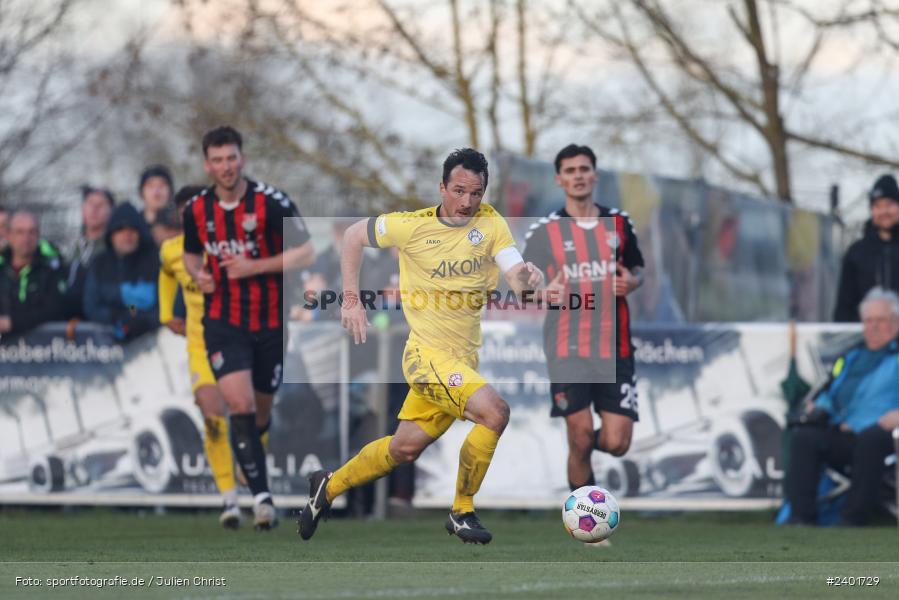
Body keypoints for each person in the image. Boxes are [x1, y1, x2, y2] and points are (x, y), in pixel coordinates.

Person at [299, 148, 546, 544]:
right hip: (426, 357)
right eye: (459, 190)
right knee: (495, 413)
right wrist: (350, 299)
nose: (467, 201)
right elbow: (351, 236)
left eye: (476, 193)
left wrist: (529, 279)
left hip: (461, 361)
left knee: (403, 449)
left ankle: (327, 486)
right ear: (442, 187)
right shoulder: (410, 227)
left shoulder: (491, 223)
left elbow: (518, 279)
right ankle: (462, 511)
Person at [181, 125, 315, 530]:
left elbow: (306, 251)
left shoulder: (271, 202)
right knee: (237, 404)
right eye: (217, 160)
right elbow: (190, 255)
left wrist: (254, 266)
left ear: (243, 159)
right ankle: (262, 499)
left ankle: (252, 465)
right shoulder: (196, 210)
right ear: (207, 164)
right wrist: (200, 276)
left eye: (231, 158)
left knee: (259, 413)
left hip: (270, 322)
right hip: (223, 322)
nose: (225, 166)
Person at [523, 144, 645, 493]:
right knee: (578, 435)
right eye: (570, 170)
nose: (578, 176)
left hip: (615, 346)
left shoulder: (620, 223)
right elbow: (522, 286)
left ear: (595, 174)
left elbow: (638, 269)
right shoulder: (545, 231)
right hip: (567, 348)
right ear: (559, 179)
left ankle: (579, 452)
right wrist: (544, 292)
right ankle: (586, 525)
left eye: (584, 168)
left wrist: (633, 282)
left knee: (618, 442)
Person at [159, 185, 241, 528]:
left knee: (249, 413)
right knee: (211, 413)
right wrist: (167, 313)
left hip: (238, 340)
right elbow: (165, 274)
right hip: (200, 346)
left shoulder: (227, 247)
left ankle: (252, 463)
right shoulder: (171, 250)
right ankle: (229, 499)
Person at [788, 287, 899, 525]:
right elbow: (832, 392)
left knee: (872, 440)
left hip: (882, 435)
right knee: (804, 437)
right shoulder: (850, 357)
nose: (874, 326)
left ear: (895, 322)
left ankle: (853, 519)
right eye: (868, 321)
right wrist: (816, 406)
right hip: (843, 432)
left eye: (880, 320)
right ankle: (800, 518)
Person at [83, 202, 160, 340]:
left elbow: (165, 305)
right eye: (120, 229)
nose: (127, 235)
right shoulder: (99, 263)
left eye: (132, 229)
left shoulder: (154, 261)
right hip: (105, 347)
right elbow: (91, 305)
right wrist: (118, 316)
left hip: (154, 344)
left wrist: (142, 319)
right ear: (111, 234)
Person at [834, 174, 899, 322]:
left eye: (889, 204)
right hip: (865, 340)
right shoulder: (856, 253)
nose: (883, 212)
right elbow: (844, 308)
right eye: (877, 206)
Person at [0, 210, 67, 337]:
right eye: (20, 232)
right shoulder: (1, 269)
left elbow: (54, 310)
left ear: (38, 235)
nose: (26, 238)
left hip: (43, 350)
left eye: (32, 232)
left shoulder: (52, 269)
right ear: (9, 235)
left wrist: (11, 323)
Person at [66, 186, 115, 319]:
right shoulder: (71, 246)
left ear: (111, 211)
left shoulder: (115, 247)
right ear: (82, 210)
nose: (94, 209)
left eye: (101, 205)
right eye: (90, 204)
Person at [139, 164, 174, 230]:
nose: (157, 192)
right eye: (151, 186)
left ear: (170, 191)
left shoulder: (180, 224)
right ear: (141, 192)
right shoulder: (134, 225)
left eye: (161, 185)